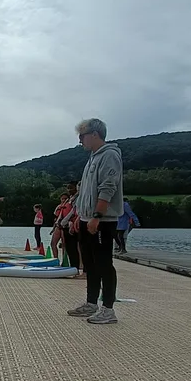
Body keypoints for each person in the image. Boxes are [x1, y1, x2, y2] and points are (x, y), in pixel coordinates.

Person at [67, 118, 123, 325]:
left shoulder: (109, 156)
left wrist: (97, 216)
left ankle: (108, 308)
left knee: (104, 263)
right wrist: (79, 216)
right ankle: (91, 303)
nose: (80, 141)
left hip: (102, 220)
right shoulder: (92, 158)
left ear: (94, 134)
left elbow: (108, 187)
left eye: (82, 136)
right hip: (86, 217)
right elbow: (84, 192)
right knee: (90, 263)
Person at [59, 183, 81, 274]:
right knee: (69, 248)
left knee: (75, 248)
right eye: (68, 188)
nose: (69, 190)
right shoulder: (69, 199)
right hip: (66, 225)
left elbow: (74, 211)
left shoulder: (78, 198)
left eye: (71, 188)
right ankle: (73, 267)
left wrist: (67, 221)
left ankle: (77, 268)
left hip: (73, 225)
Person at [51, 192, 70, 260]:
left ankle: (64, 261)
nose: (64, 200)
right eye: (62, 199)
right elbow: (56, 218)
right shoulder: (59, 207)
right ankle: (55, 259)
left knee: (64, 245)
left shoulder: (69, 206)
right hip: (58, 226)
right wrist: (53, 228)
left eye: (65, 198)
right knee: (53, 243)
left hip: (65, 226)